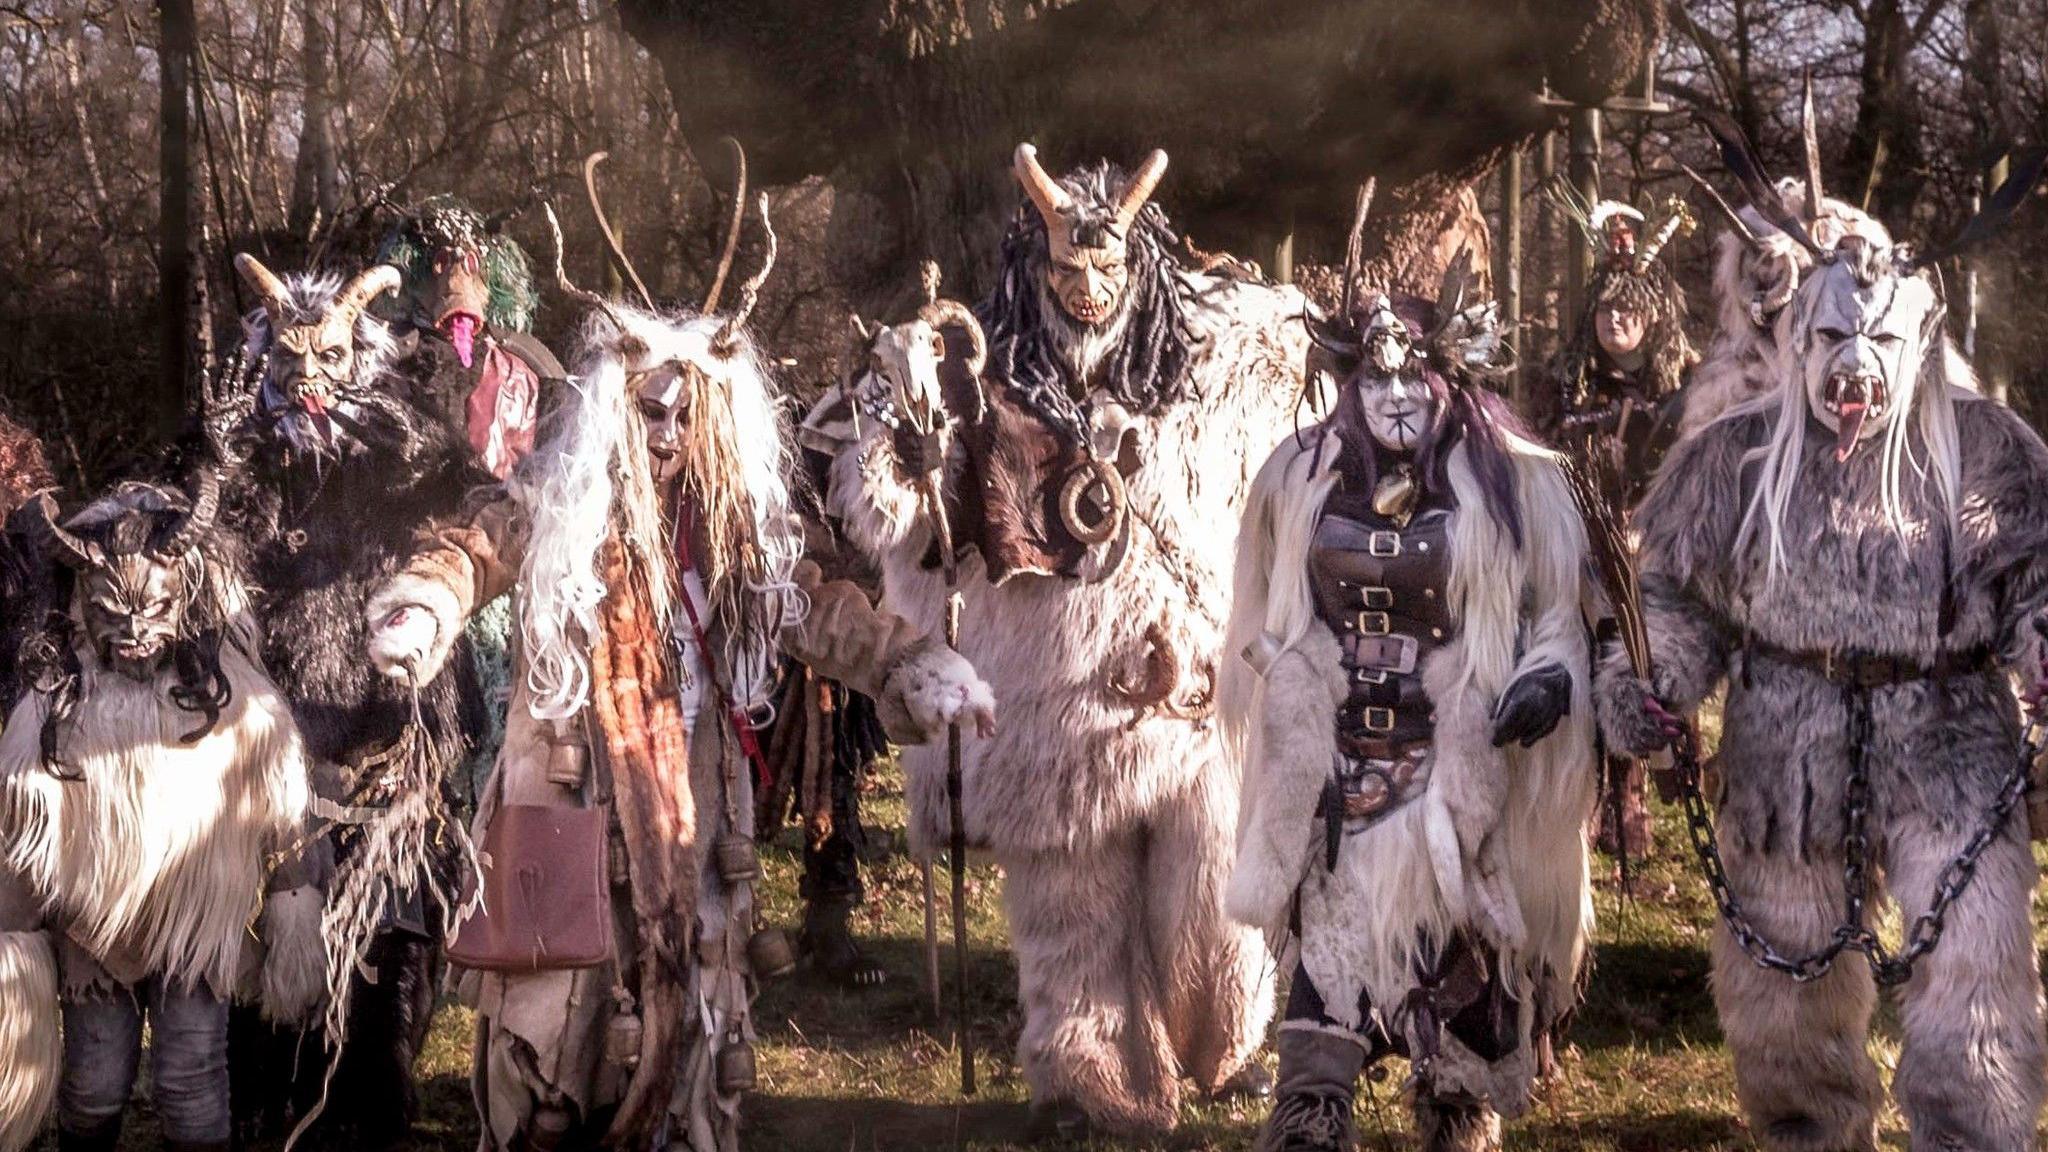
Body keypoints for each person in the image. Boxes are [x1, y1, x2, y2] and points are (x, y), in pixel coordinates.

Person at [361, 197, 993, 1151]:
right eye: (647, 408)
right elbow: (478, 544)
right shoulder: (565, 510)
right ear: (617, 409)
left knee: (692, 1044)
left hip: (696, 825)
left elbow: (814, 610)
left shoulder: (735, 541)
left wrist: (914, 663)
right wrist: (428, 601)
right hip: (575, 821)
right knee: (555, 1051)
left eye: (682, 412)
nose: (663, 431)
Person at [804, 142, 1308, 1136]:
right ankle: (1078, 1080)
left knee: (1213, 914)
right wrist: (899, 423)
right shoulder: (972, 378)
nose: (1087, 290)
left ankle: (1215, 1050)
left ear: (1142, 269)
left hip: (1191, 704)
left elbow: (1292, 450)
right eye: (1067, 271)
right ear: (1031, 270)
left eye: (1109, 270)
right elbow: (886, 514)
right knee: (1069, 931)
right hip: (1051, 720)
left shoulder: (1202, 377)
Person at [1600, 188, 2048, 1150]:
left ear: (1919, 346)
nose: (1854, 366)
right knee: (1784, 987)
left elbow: (2034, 579)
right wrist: (1652, 688)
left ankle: (1972, 1136)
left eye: (1878, 341)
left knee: (1976, 969)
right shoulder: (1731, 458)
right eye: (1834, 336)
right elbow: (1677, 596)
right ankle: (1809, 1132)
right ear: (1800, 338)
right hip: (1783, 756)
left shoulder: (1988, 452)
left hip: (1952, 747)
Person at [1224, 218, 1597, 1152]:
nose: (1393, 394)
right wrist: (1288, 683)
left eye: (1409, 377)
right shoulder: (1294, 479)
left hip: (1459, 792)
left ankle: (1457, 1114)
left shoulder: (1519, 486)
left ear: (1445, 379)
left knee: (1463, 1028)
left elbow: (1559, 615)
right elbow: (1267, 619)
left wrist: (1549, 678)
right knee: (1328, 981)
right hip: (1343, 786)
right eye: (1375, 377)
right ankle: (1313, 1113)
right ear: (1350, 384)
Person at [0, 475, 318, 1152]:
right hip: (93, 934)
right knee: (92, 1084)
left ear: (193, 598)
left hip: (194, 927)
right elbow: (23, 831)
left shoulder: (240, 706)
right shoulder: (52, 715)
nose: (136, 632)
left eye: (152, 608)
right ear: (81, 607)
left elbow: (281, 802)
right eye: (113, 609)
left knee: (192, 1076)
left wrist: (293, 895)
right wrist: (17, 933)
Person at [1542, 195, 1697, 857]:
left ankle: (1634, 802)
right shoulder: (1564, 381)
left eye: (1630, 310)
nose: (1616, 321)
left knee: (1642, 670)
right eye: (1606, 309)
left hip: (1649, 556)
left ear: (1654, 316)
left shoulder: (1681, 391)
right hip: (1575, 546)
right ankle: (1575, 804)